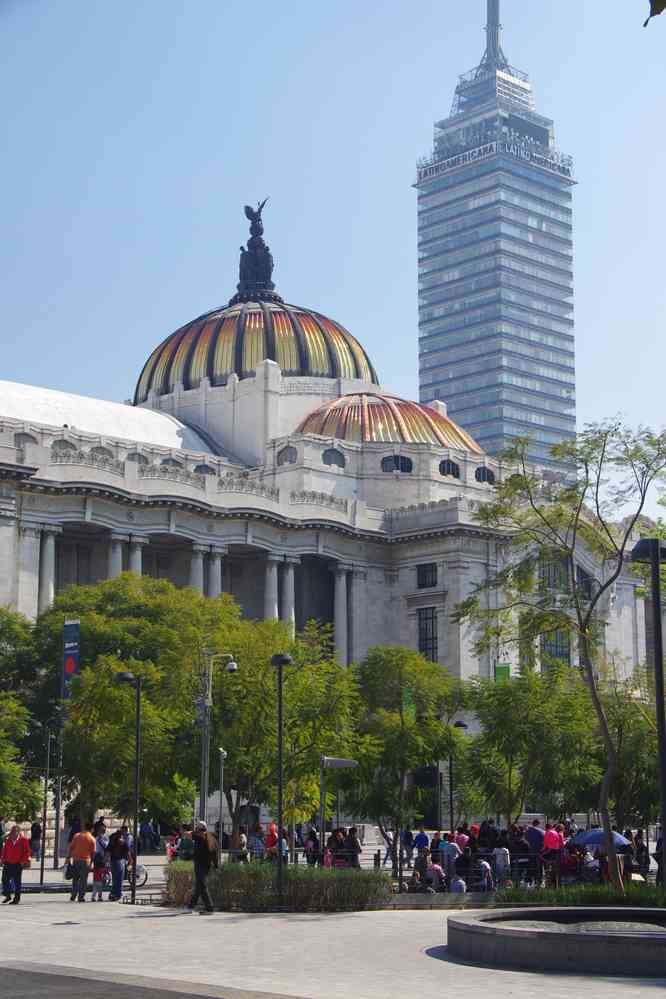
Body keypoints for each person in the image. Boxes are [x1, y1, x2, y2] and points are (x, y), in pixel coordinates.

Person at [188, 820, 218, 914]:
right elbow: (214, 852)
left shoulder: (199, 835)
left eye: (197, 827)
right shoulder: (211, 837)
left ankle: (210, 908)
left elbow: (186, 834)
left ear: (199, 829)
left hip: (200, 864)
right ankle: (191, 906)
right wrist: (216, 864)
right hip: (207, 864)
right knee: (199, 885)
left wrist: (193, 831)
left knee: (202, 885)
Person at [1, 825, 31, 904]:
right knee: (4, 879)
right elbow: (5, 850)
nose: (13, 834)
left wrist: (22, 861)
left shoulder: (23, 840)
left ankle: (16, 899)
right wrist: (2, 860)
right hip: (8, 863)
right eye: (12, 832)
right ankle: (7, 895)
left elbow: (27, 852)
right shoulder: (8, 840)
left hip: (17, 864)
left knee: (17, 882)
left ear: (18, 832)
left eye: (14, 832)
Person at [68, 821, 96, 902]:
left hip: (76, 860)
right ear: (92, 829)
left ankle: (73, 895)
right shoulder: (91, 839)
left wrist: (68, 858)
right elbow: (93, 853)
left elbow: (71, 847)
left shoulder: (76, 835)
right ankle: (81, 896)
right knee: (83, 880)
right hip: (85, 861)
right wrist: (91, 863)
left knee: (75, 879)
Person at [107, 824, 132, 901]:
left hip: (113, 860)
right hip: (120, 860)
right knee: (119, 878)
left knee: (114, 878)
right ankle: (118, 894)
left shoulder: (112, 839)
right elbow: (127, 850)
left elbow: (108, 850)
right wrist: (130, 860)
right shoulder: (122, 840)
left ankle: (113, 893)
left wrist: (107, 860)